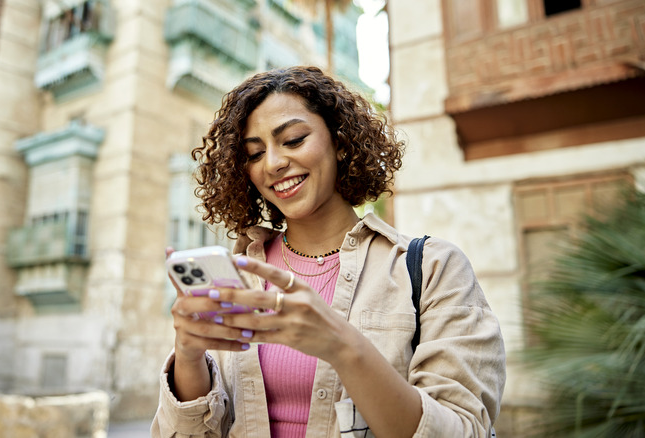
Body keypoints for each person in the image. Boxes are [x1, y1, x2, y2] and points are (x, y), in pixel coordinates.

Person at [152, 66, 505, 438]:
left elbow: (465, 429)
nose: (272, 163)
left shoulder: (432, 268)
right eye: (254, 154)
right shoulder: (239, 276)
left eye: (293, 140)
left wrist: (342, 346)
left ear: (339, 141)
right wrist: (189, 357)